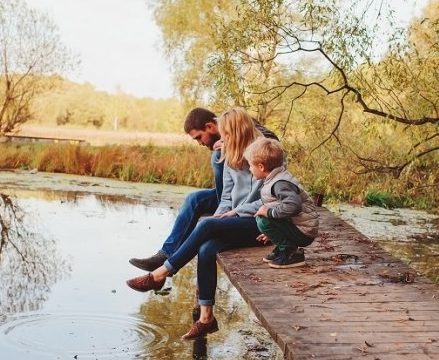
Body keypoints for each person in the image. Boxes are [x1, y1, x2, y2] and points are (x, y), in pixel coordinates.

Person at [126, 107, 267, 340]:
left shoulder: (263, 157)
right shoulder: (227, 156)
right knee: (205, 247)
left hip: (262, 222)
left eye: (227, 135)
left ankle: (161, 274)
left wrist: (232, 214)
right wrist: (221, 215)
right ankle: (206, 319)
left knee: (206, 226)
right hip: (237, 217)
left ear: (239, 133)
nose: (223, 139)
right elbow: (226, 197)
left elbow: (267, 200)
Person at [128, 107, 277, 272]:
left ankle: (166, 269)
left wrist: (231, 142)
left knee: (217, 157)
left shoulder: (237, 124)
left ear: (210, 127)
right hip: (231, 196)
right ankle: (165, 255)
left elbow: (271, 140)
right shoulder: (225, 137)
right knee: (194, 199)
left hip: (254, 202)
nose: (199, 143)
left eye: (199, 137)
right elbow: (227, 191)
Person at [245, 137, 319, 268]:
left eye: (250, 165)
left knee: (263, 219)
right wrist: (275, 231)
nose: (249, 169)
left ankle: (291, 252)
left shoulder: (279, 184)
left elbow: (294, 206)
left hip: (304, 231)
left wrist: (269, 212)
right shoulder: (275, 179)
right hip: (299, 226)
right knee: (263, 218)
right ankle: (283, 247)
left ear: (261, 167)